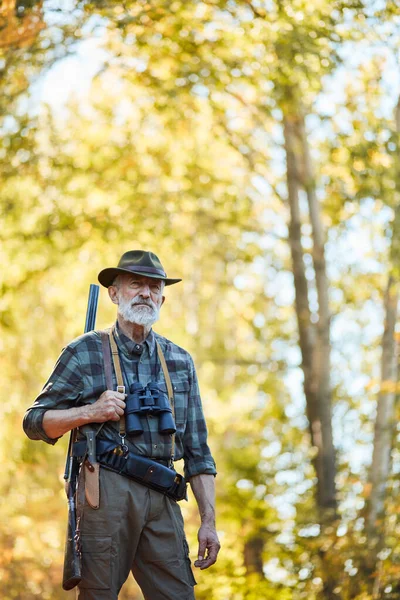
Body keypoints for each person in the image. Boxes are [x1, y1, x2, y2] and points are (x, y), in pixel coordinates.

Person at [23, 250, 220, 600]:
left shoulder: (180, 360)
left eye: (154, 286)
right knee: (98, 594)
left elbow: (198, 452)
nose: (146, 293)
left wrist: (209, 521)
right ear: (115, 294)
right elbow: (35, 422)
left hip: (163, 493)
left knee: (179, 593)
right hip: (106, 492)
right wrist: (90, 412)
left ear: (162, 296)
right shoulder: (84, 352)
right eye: (135, 284)